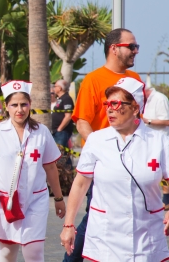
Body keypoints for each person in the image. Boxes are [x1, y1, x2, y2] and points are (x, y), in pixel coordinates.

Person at [60, 77, 169, 261]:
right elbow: (80, 184)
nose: (110, 109)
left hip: (146, 237)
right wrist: (68, 224)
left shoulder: (159, 141)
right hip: (105, 237)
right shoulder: (96, 140)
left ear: (135, 108)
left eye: (117, 104)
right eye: (107, 104)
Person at [64, 28, 141, 262]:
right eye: (131, 46)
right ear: (114, 48)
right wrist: (105, 149)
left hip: (134, 163)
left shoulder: (135, 80)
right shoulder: (93, 80)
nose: (136, 51)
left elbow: (139, 120)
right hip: (105, 165)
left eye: (136, 46)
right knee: (95, 217)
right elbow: (82, 123)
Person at [0, 80, 66, 262]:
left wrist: (58, 198)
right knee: (8, 253)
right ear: (6, 107)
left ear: (30, 105)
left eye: (24, 104)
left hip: (36, 200)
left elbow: (50, 166)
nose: (20, 109)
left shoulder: (42, 132)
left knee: (33, 252)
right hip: (6, 201)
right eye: (14, 105)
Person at [142, 84, 169, 211]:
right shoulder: (146, 101)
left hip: (161, 140)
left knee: (164, 173)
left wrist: (148, 121)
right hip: (147, 142)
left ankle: (166, 201)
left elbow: (167, 121)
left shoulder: (160, 98)